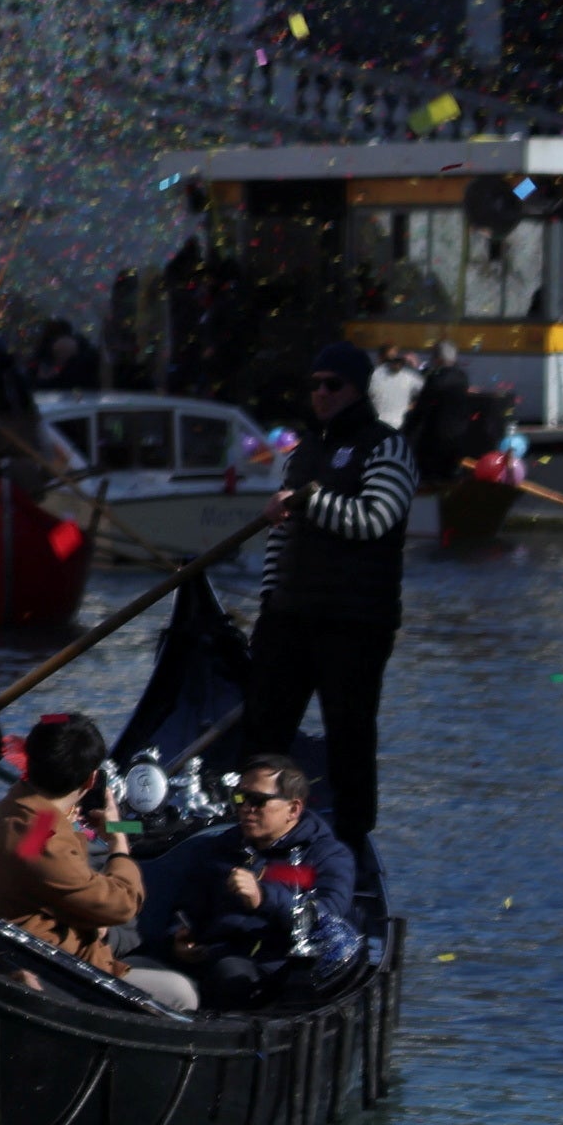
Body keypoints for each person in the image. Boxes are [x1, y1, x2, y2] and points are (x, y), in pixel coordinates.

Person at [218, 341, 409, 848]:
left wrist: (309, 502)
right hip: (289, 618)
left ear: (355, 389)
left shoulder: (386, 445)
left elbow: (376, 518)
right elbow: (281, 544)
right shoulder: (304, 454)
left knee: (349, 735)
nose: (321, 393)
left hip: (356, 622)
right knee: (263, 734)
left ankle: (349, 845)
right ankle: (252, 834)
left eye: (333, 384)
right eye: (315, 384)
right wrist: (268, 605)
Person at [0, 711, 189, 1010]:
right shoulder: (44, 837)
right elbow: (124, 903)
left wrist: (71, 824)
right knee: (181, 993)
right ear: (91, 779)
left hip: (15, 948)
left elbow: (34, 866)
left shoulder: (19, 811)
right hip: (47, 971)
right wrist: (118, 837)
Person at [141, 754, 368, 1008]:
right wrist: (178, 937)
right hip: (207, 958)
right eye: (239, 798)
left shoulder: (328, 856)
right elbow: (187, 906)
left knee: (229, 973)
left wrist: (264, 898)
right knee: (132, 966)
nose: (245, 808)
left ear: (293, 809)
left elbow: (329, 917)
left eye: (258, 801)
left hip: (275, 971)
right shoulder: (220, 847)